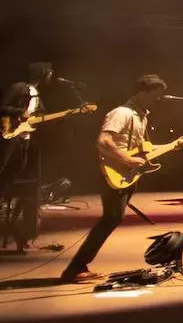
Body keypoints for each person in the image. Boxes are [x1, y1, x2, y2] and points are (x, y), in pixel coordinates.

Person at [61, 74, 170, 283]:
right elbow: (103, 141)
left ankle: (78, 267)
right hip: (113, 170)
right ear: (141, 92)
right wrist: (127, 159)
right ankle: (74, 269)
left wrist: (173, 145)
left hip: (126, 172)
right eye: (154, 96)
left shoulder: (141, 116)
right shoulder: (121, 113)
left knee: (112, 218)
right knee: (111, 217)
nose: (156, 101)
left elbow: (141, 148)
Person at [0, 62, 58, 252]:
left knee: (15, 176)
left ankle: (12, 219)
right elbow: (3, 107)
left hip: (25, 140)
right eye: (49, 73)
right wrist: (20, 112)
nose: (51, 76)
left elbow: (39, 116)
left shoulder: (36, 94)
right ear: (42, 73)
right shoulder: (19, 88)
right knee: (4, 172)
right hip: (11, 137)